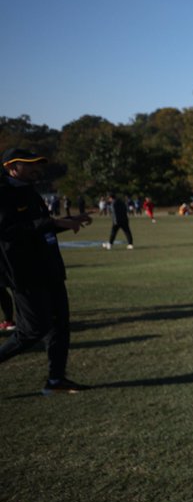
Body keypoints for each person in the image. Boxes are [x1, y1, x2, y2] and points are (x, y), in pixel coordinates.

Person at [0, 148, 92, 394]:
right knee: (31, 331)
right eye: (29, 165)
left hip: (49, 268)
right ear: (11, 167)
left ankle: (56, 381)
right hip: (25, 272)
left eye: (37, 164)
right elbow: (8, 231)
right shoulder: (3, 194)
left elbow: (40, 228)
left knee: (59, 325)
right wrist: (53, 222)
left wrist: (70, 220)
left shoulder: (30, 192)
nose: (35, 168)